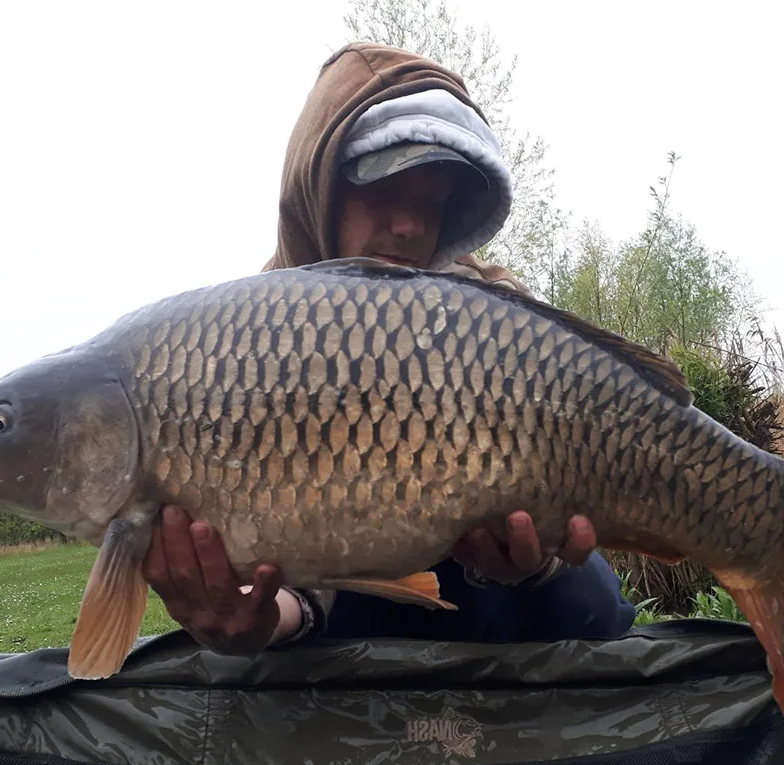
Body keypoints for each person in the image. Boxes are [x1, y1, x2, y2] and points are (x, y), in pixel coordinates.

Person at [142, 42, 637, 654]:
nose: (409, 226)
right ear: (319, 187)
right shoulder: (251, 340)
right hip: (343, 604)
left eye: (431, 203)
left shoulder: (495, 314)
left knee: (594, 603)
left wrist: (535, 561)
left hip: (487, 588)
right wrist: (264, 616)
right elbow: (290, 546)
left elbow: (570, 488)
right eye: (383, 190)